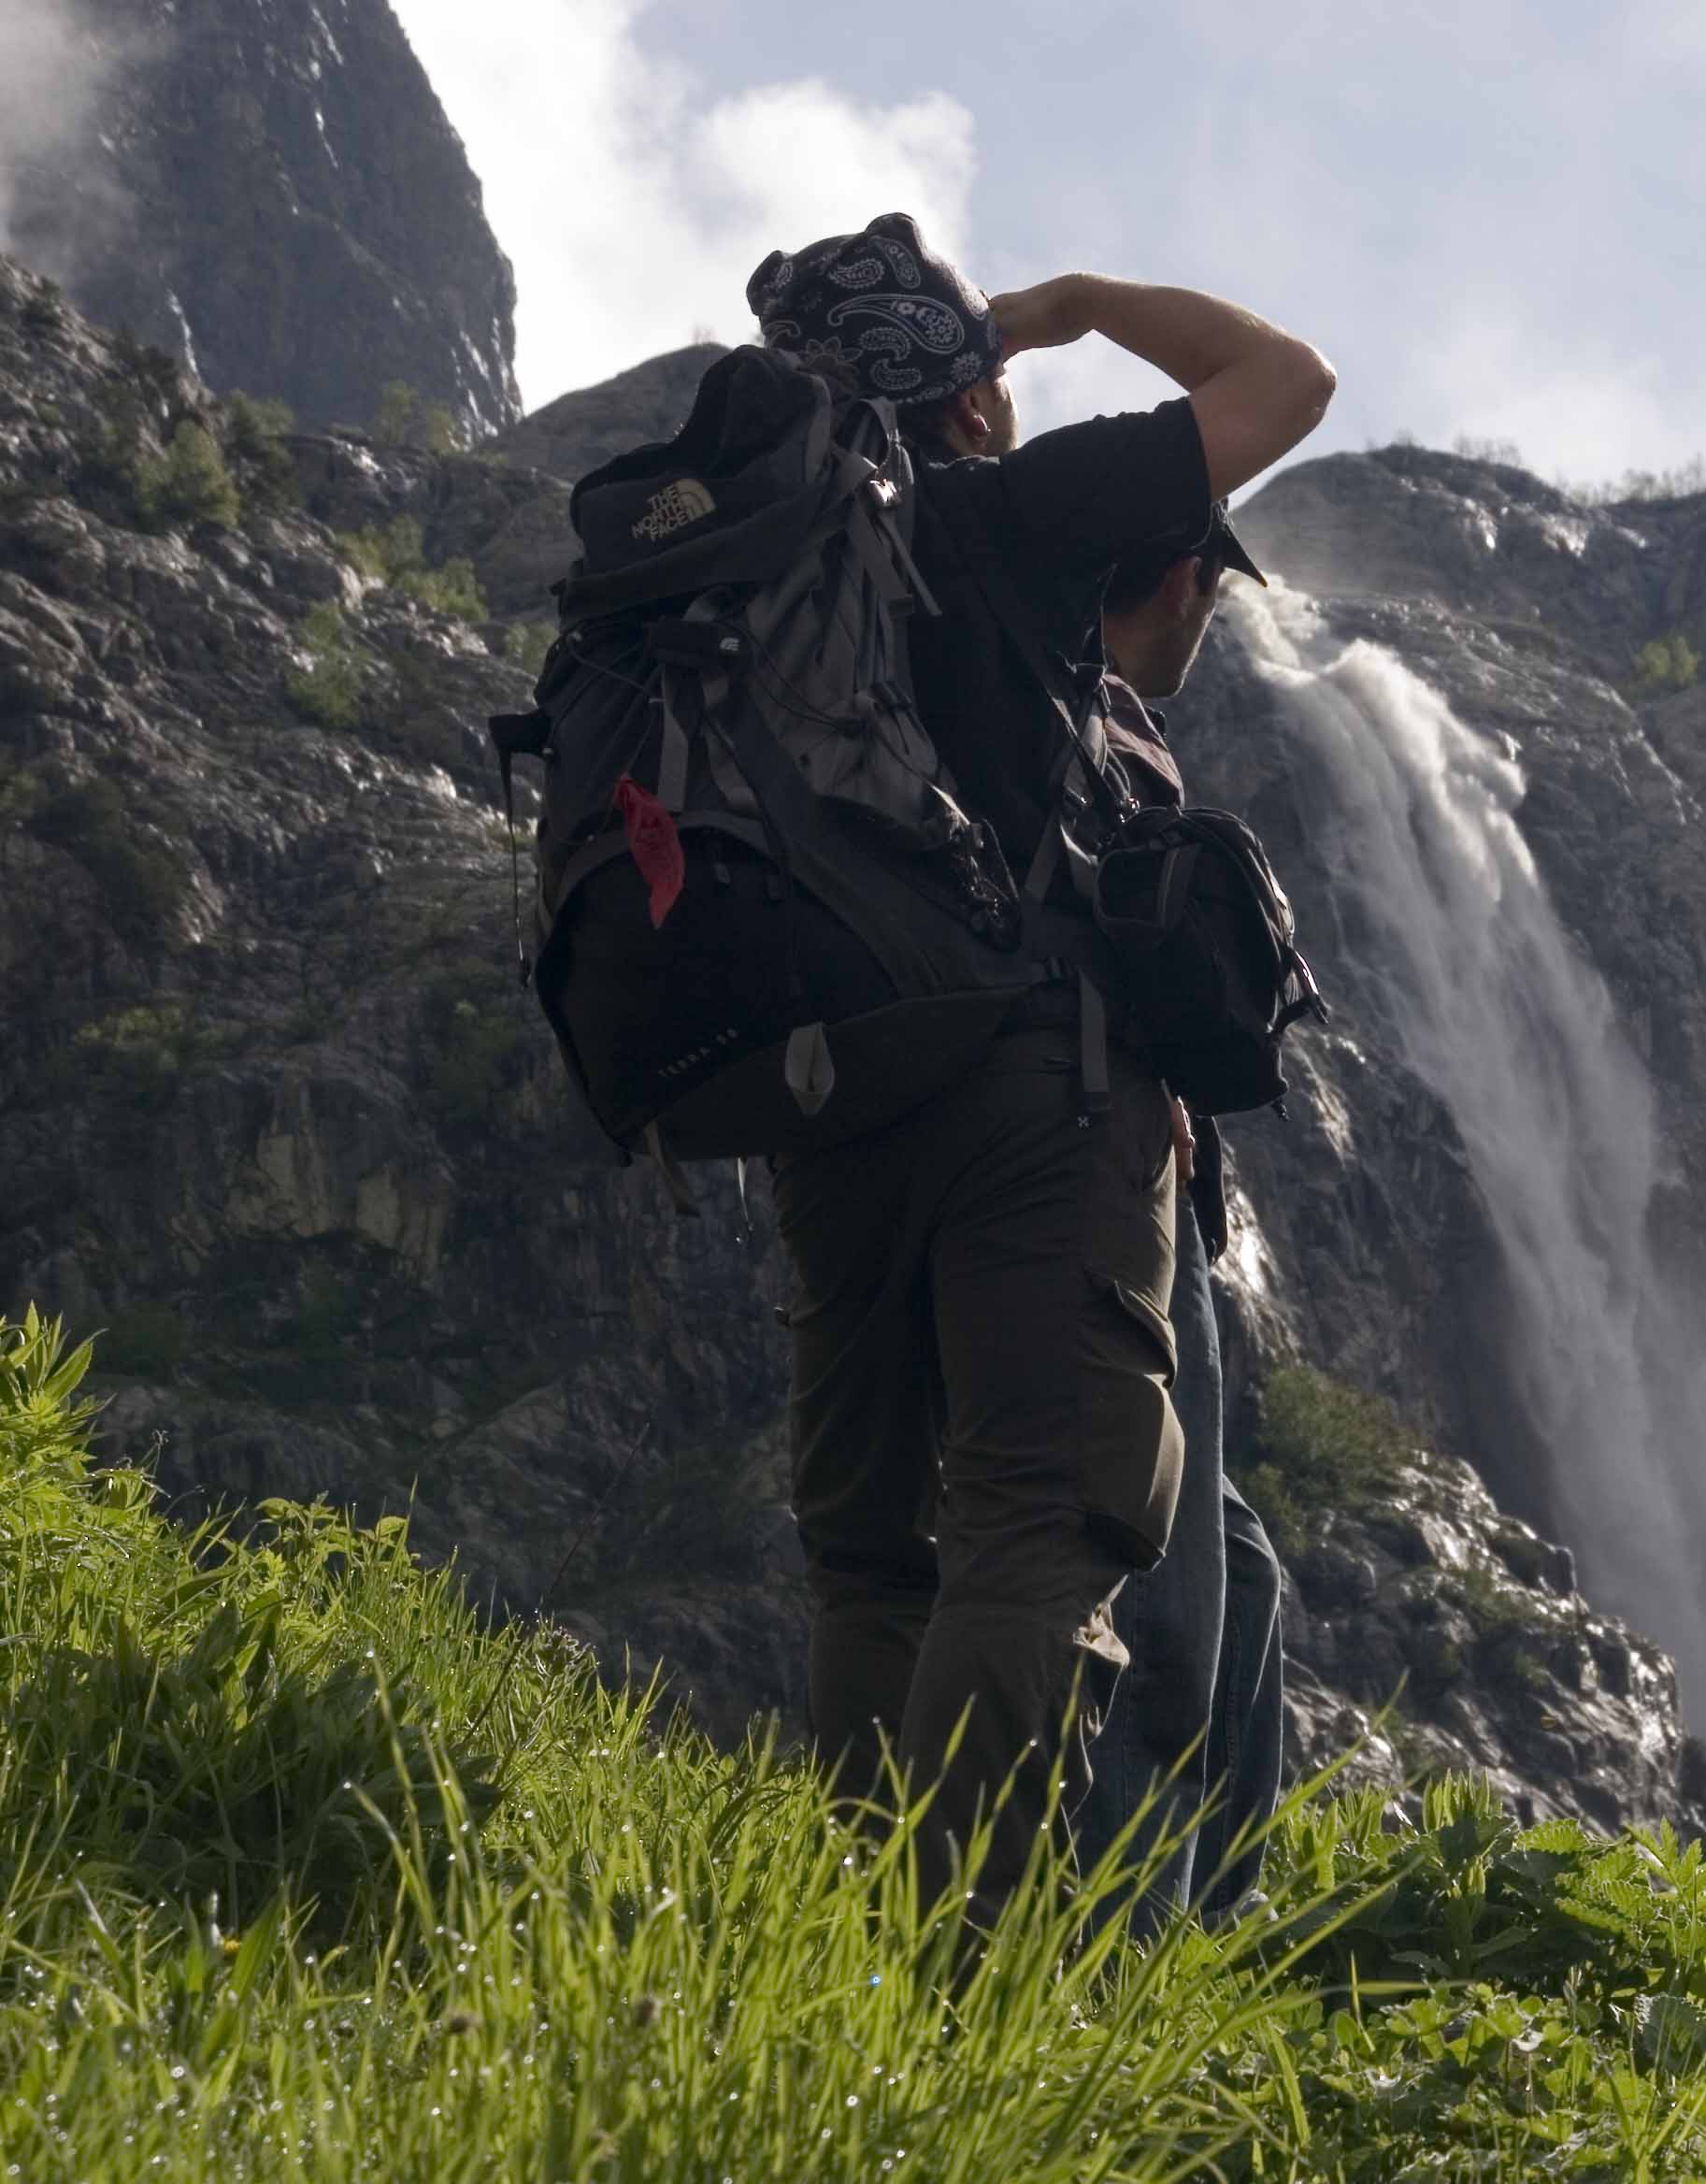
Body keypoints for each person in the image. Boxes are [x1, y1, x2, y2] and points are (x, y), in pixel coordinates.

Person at [742, 213, 1330, 1915]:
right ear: (966, 394)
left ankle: (846, 1956)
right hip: (1029, 1095)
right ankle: (967, 1964)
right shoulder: (991, 517)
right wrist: (1064, 306)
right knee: (1035, 1525)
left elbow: (1049, 734)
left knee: (869, 1557)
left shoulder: (768, 572)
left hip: (829, 1106)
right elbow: (1285, 379)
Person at [1068, 513, 1293, 1923]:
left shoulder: (1095, 718)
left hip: (1149, 1206)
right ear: (1179, 580)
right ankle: (1129, 1969)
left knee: (1245, 1578)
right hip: (1106, 1197)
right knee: (1165, 1619)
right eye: (1206, 582)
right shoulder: (1063, 709)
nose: (1208, 608)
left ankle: (1211, 1936)